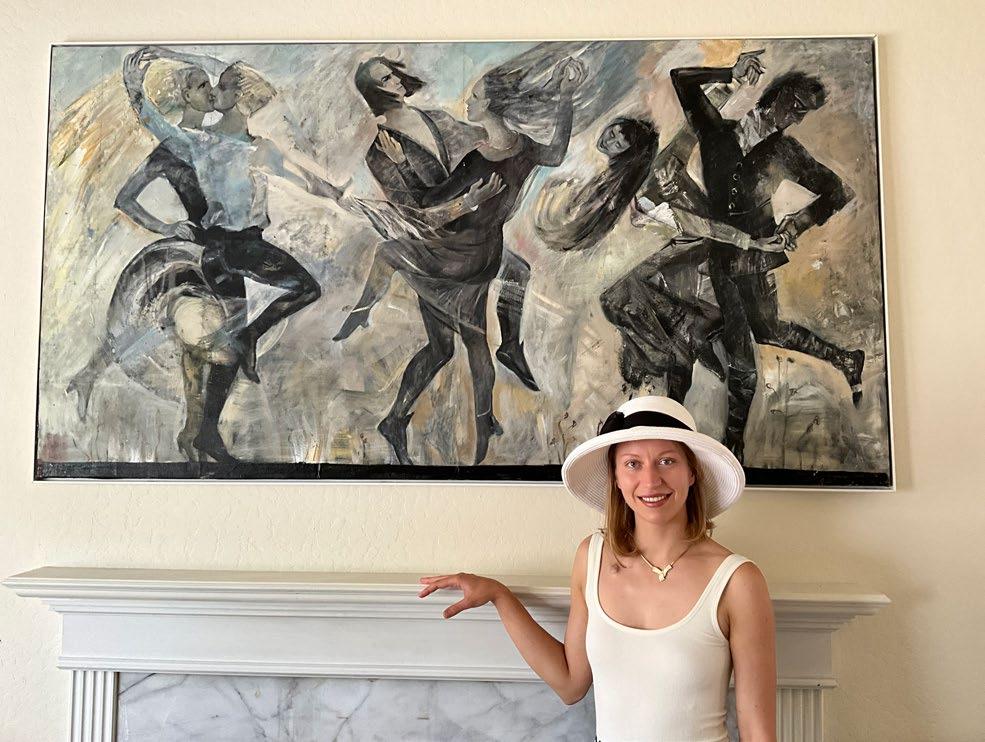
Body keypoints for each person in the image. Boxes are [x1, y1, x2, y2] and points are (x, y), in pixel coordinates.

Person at [420, 396, 776, 741]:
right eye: (633, 464)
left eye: (667, 461)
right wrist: (500, 596)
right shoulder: (591, 557)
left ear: (692, 472)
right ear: (616, 477)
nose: (651, 480)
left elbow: (758, 733)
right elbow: (570, 684)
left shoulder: (737, 581)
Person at [363, 57, 587, 466]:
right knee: (452, 345)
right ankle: (472, 418)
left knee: (460, 338)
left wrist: (563, 95)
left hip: (468, 249)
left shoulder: (467, 144)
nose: (467, 100)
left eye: (477, 96)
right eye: (385, 78)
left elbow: (433, 194)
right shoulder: (517, 147)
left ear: (491, 105)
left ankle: (477, 402)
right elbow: (555, 152)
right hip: (457, 250)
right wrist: (565, 95)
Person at [671, 51, 865, 460]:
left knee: (753, 341)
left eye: (802, 112)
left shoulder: (786, 152)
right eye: (793, 104)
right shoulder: (717, 132)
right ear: (774, 94)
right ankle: (844, 360)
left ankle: (734, 441)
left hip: (757, 257)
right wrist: (730, 71)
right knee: (758, 336)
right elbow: (681, 78)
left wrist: (797, 223)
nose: (794, 116)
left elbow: (838, 192)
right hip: (723, 252)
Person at [334, 55, 540, 392]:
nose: (396, 80)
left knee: (515, 273)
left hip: (469, 234)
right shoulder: (380, 149)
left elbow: (490, 136)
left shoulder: (437, 119)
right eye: (385, 80)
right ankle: (364, 311)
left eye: (393, 73)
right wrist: (465, 203)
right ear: (375, 93)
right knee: (444, 347)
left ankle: (511, 348)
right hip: (435, 243)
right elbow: (413, 213)